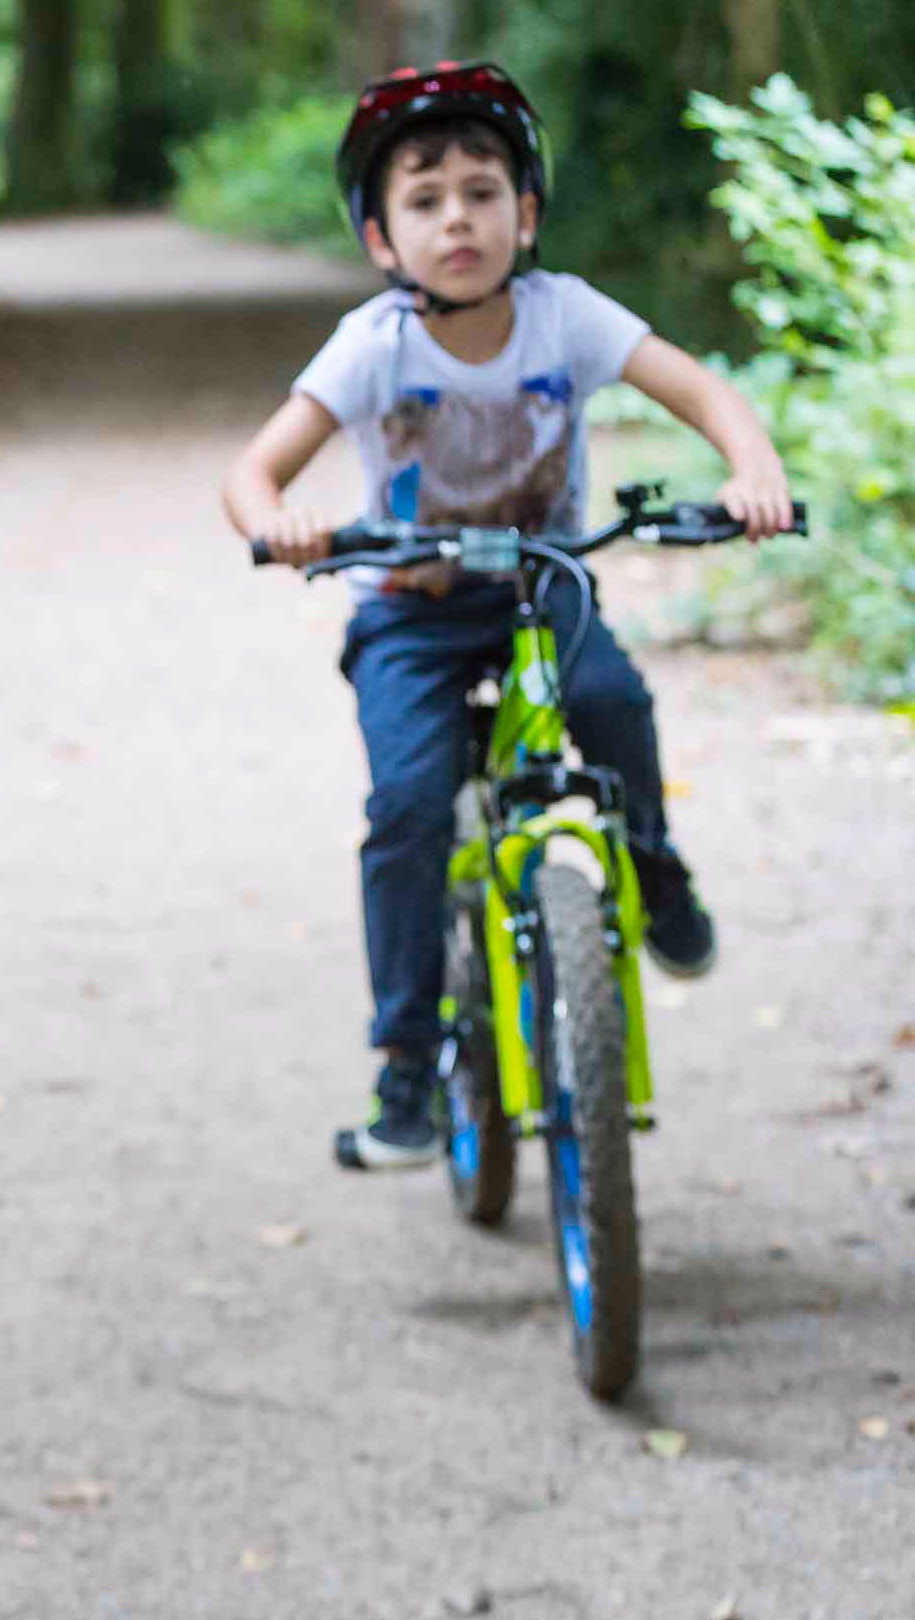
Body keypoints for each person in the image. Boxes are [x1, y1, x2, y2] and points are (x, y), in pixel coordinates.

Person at [220, 62, 795, 1170]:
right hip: (411, 609)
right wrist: (278, 522)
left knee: (611, 699)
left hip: (542, 586)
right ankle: (405, 1069)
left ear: (525, 215)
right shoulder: (376, 343)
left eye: (482, 193)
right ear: (384, 241)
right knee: (408, 809)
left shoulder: (565, 317)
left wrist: (751, 466)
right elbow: (255, 471)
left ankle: (654, 865)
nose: (458, 220)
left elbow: (706, 392)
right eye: (425, 200)